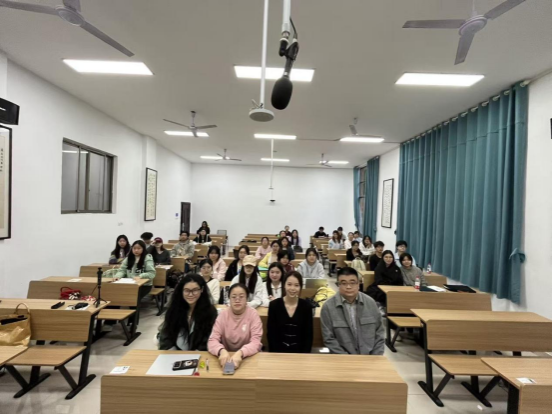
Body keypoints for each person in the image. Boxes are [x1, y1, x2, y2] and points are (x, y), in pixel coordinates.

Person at [321, 267, 385, 355]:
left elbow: (379, 333)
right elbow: (329, 338)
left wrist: (375, 357)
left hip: (370, 357)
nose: (348, 287)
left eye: (352, 283)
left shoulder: (371, 303)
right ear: (338, 285)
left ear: (358, 284)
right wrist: (347, 359)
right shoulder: (328, 307)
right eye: (344, 283)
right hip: (342, 358)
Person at [208, 284, 263, 370]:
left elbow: (256, 342)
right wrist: (221, 351)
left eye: (241, 297)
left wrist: (241, 353)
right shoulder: (223, 315)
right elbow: (212, 340)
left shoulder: (253, 314)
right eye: (233, 297)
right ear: (229, 299)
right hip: (226, 357)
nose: (237, 300)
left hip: (249, 357)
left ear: (247, 299)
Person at [158, 275, 218, 351]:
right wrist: (173, 352)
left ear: (202, 289)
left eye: (195, 290)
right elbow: (166, 335)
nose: (190, 294)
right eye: (186, 290)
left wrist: (195, 354)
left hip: (199, 353)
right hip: (175, 352)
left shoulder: (210, 311)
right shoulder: (174, 308)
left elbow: (209, 337)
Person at [268, 272, 314, 354]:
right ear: (284, 285)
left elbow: (308, 336)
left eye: (296, 285)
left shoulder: (306, 307)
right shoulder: (274, 305)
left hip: (300, 354)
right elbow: (271, 335)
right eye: (289, 284)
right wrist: (276, 355)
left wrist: (304, 356)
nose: (292, 288)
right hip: (278, 354)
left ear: (300, 287)